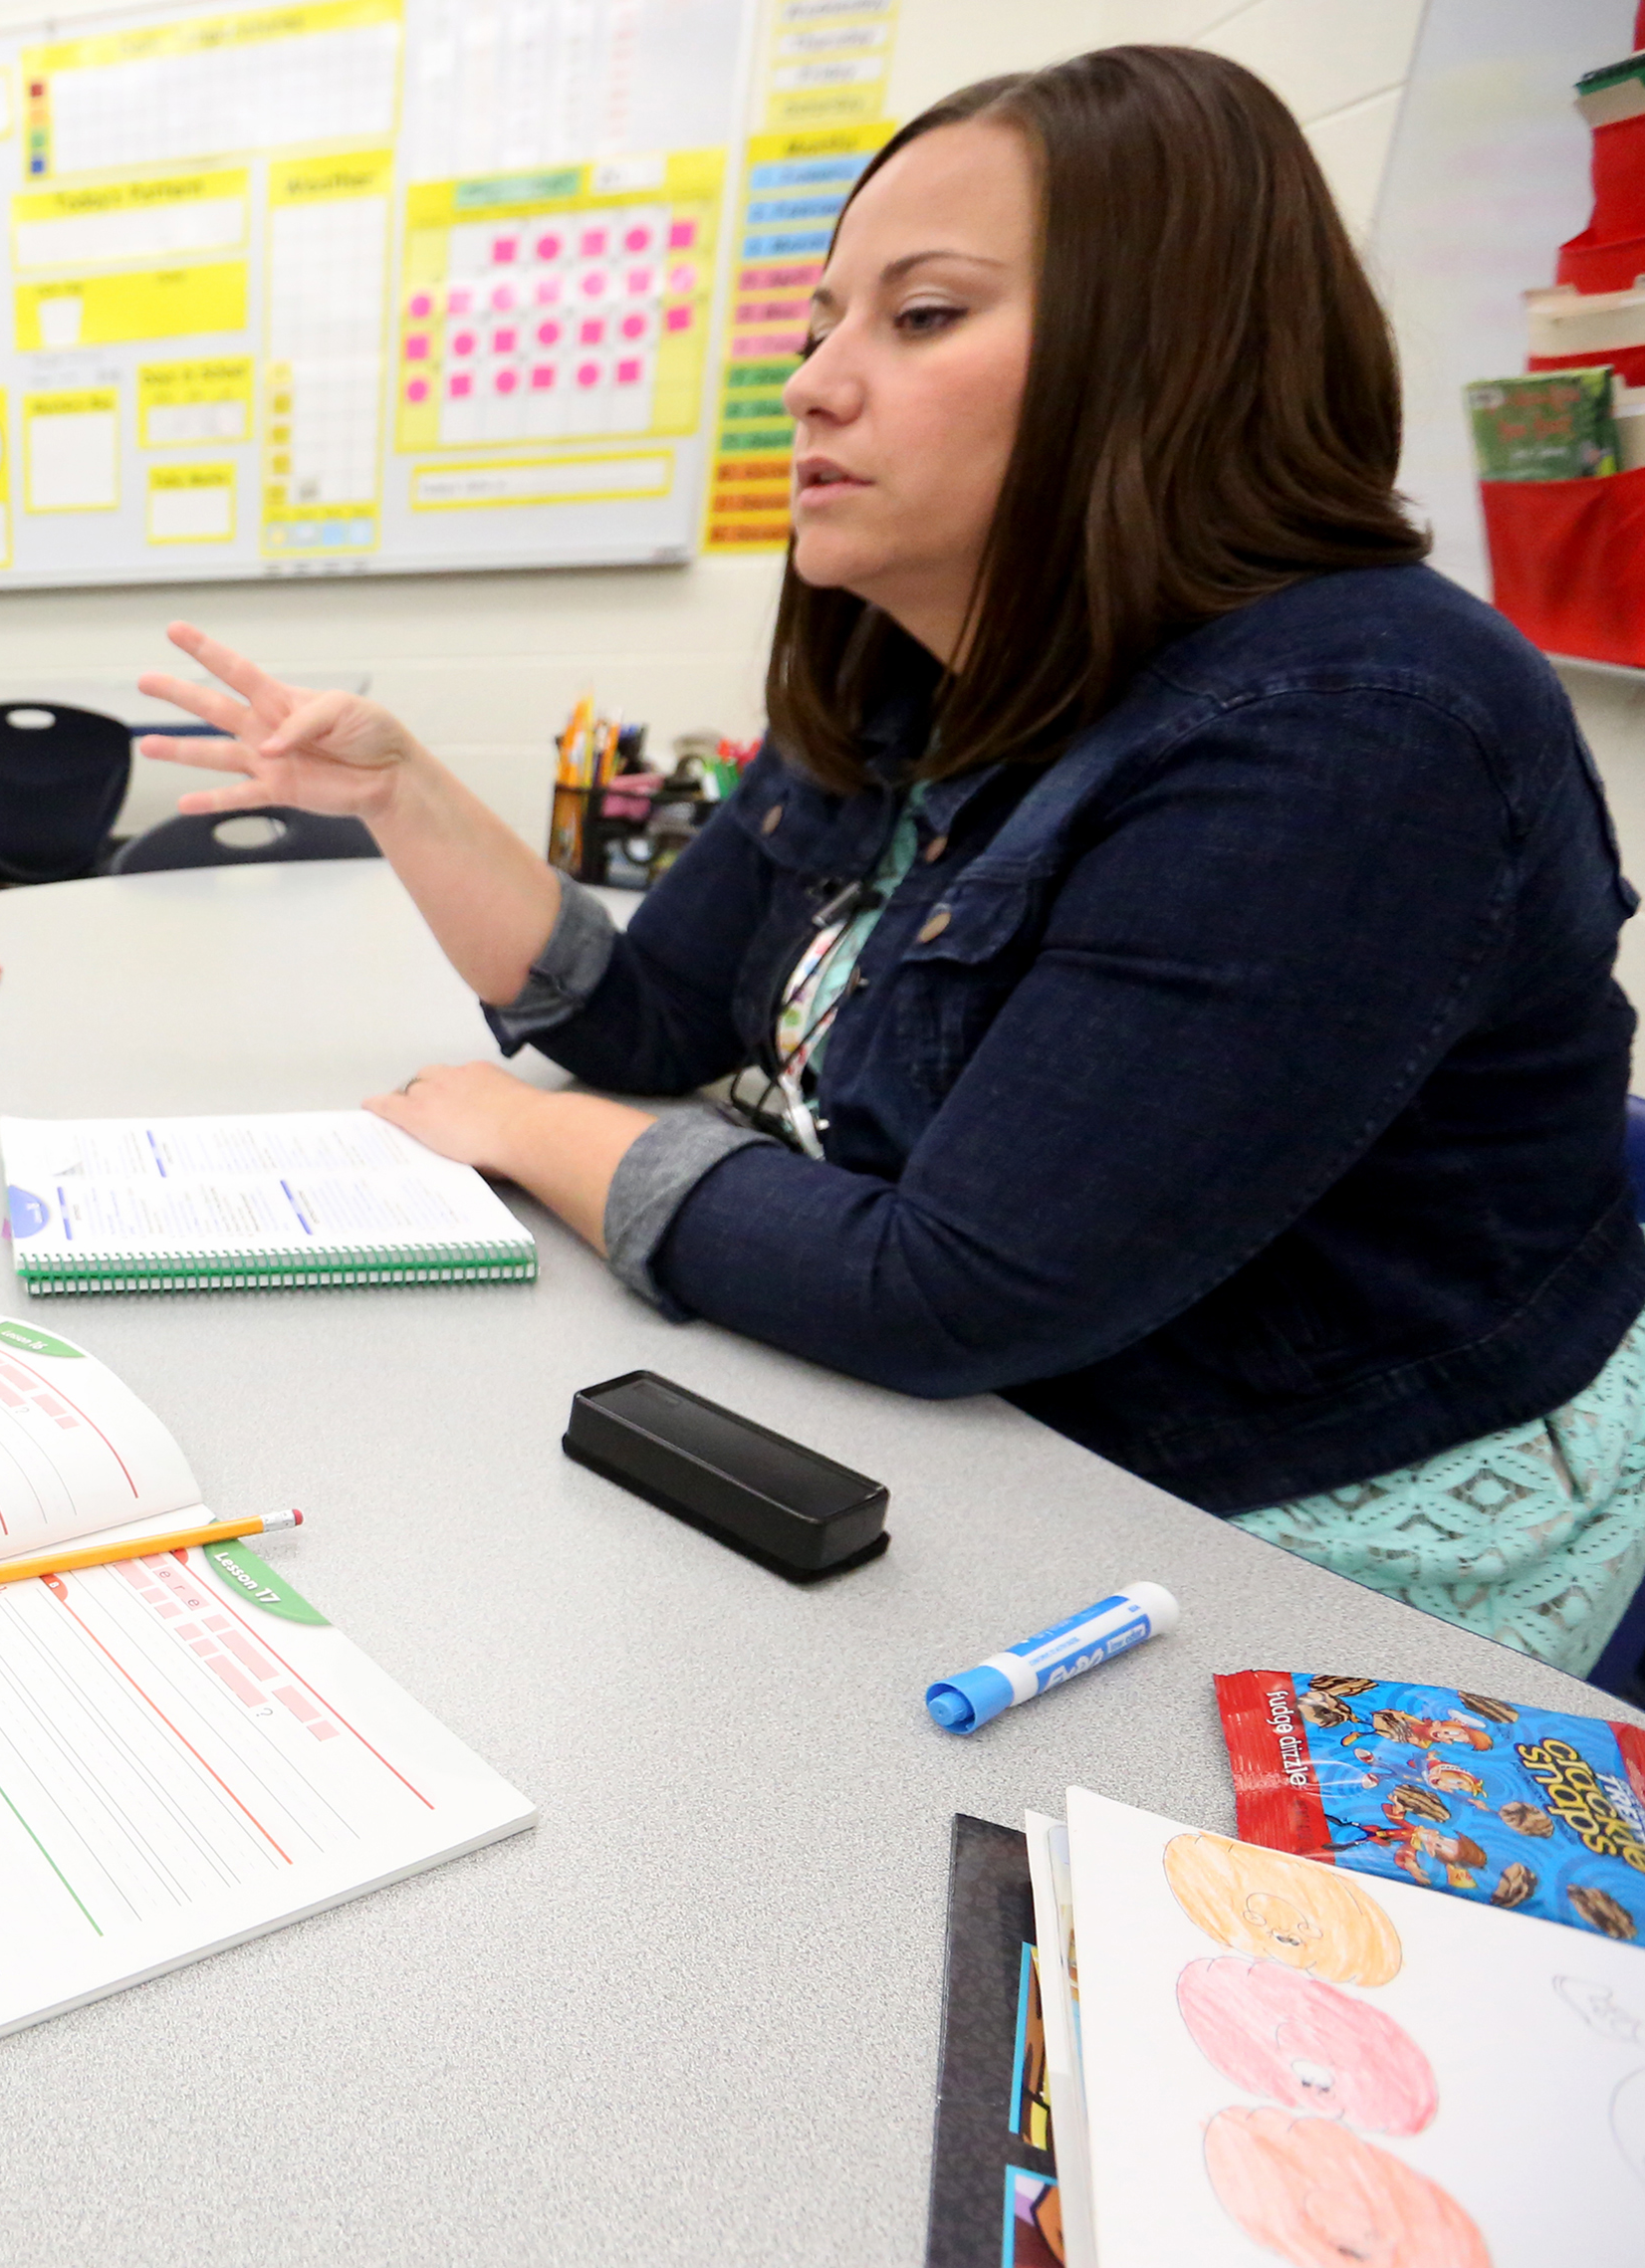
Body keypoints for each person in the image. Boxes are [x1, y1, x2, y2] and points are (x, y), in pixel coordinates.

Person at [138, 46, 1645, 1677]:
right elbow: (651, 1020)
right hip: (993, 1422)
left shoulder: (1357, 722)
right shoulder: (912, 663)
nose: (811, 385)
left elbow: (955, 1291)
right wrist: (404, 790)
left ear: (1173, 350)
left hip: (1308, 1512)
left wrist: (520, 1127)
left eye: (920, 317)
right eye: (821, 325)